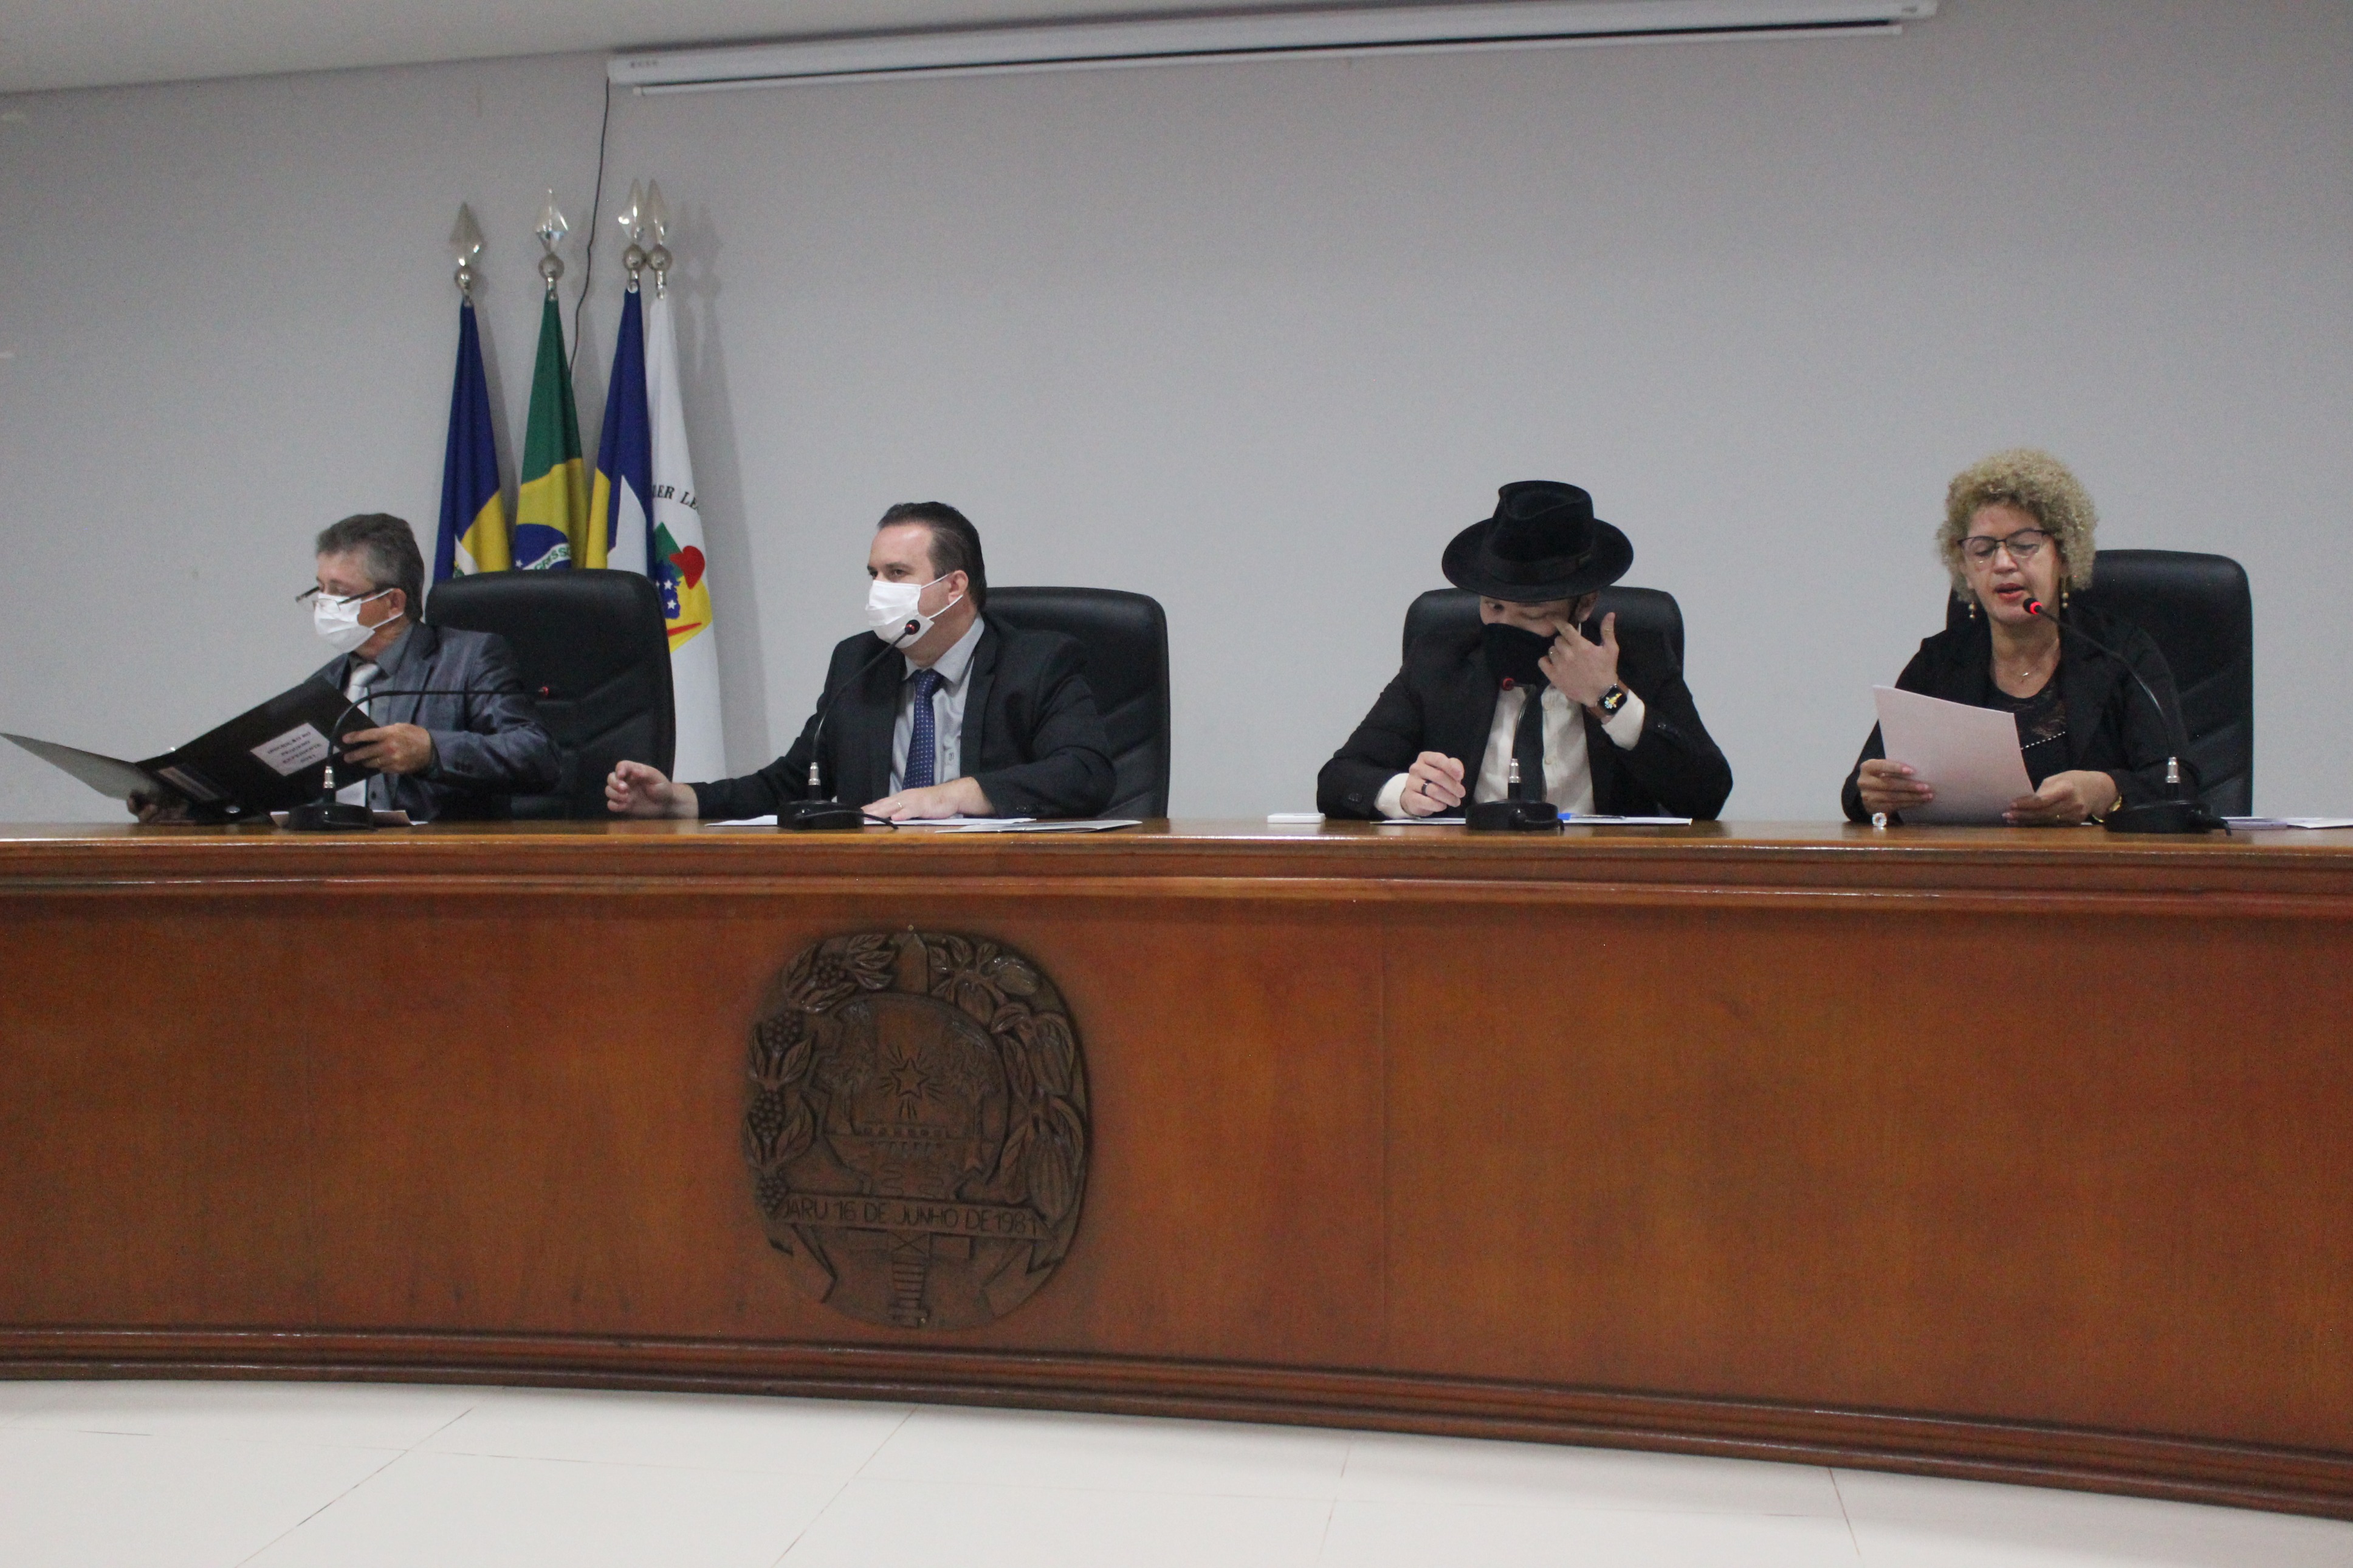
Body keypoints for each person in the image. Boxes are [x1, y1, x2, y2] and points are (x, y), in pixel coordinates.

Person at [606, 502, 1115, 823]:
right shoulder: (859, 662)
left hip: (998, 888)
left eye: (897, 573)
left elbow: (1085, 773)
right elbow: (793, 781)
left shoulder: (1035, 664)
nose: (879, 590)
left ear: (955, 587)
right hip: (874, 888)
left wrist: (954, 795)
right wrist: (679, 800)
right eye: (874, 574)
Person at [1318, 481, 1733, 821]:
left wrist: (1608, 698)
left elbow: (1707, 793)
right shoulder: (1443, 658)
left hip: (1602, 881)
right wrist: (1403, 793)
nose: (1505, 627)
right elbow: (1338, 779)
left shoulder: (1637, 658)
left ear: (1584, 605)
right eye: (1493, 606)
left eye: (1532, 615)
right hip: (1472, 881)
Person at [1842, 449, 2191, 826]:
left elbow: (2178, 784)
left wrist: (2105, 791)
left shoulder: (2121, 654)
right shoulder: (1939, 663)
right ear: (1965, 568)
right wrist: (1873, 794)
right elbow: (1859, 790)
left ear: (2064, 555)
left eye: (2024, 544)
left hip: (2091, 861)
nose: (2003, 563)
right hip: (1971, 862)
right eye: (1983, 549)